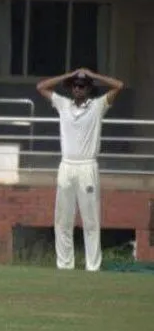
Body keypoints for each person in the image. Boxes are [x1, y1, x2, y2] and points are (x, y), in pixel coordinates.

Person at [36, 68, 124, 272]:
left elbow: (119, 85)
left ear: (88, 88)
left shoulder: (97, 106)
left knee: (91, 221)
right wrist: (69, 75)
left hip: (87, 167)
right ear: (71, 87)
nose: (78, 89)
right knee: (62, 220)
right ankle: (64, 265)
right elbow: (41, 87)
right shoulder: (63, 104)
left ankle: (93, 267)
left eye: (82, 86)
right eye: (75, 85)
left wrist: (92, 75)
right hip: (66, 166)